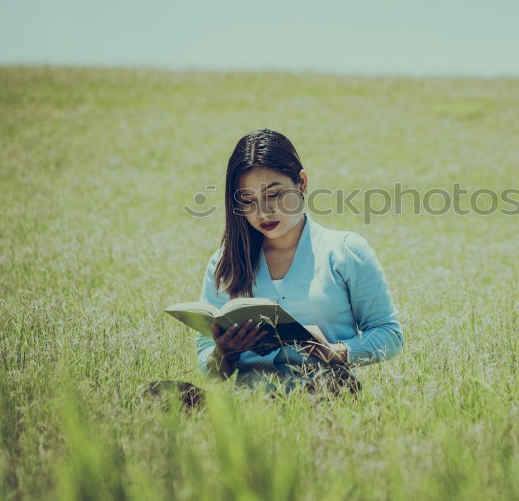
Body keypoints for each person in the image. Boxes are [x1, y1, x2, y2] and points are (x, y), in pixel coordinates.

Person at [148, 129, 404, 405]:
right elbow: (207, 360)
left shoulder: (345, 251)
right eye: (248, 201)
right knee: (157, 394)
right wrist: (224, 352)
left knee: (336, 386)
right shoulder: (225, 261)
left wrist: (337, 351)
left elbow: (388, 334)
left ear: (302, 182)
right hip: (247, 399)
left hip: (322, 392)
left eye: (274, 195)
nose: (263, 212)